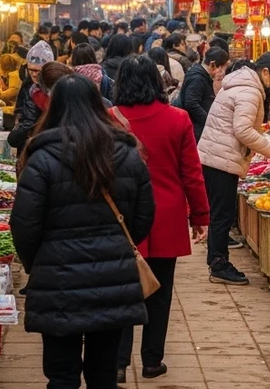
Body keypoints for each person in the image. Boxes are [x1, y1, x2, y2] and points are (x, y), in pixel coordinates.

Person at [11, 73, 155, 389]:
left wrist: (38, 263)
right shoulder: (127, 154)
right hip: (112, 277)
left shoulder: (42, 157)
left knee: (61, 375)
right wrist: (116, 244)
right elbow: (144, 216)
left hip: (57, 278)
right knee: (104, 374)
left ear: (54, 107)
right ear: (97, 104)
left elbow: (24, 224)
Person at [109, 56, 209, 382]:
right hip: (165, 215)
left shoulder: (109, 119)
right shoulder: (178, 119)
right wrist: (200, 215)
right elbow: (191, 173)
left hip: (120, 217)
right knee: (161, 292)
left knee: (121, 289)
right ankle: (152, 361)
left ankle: (118, 363)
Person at [198, 52, 270, 285]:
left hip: (218, 155)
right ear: (265, 72)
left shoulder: (241, 83)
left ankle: (217, 261)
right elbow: (242, 130)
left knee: (220, 213)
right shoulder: (249, 90)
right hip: (221, 158)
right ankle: (219, 264)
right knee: (222, 214)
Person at [7, 41, 52, 150]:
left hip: (42, 142)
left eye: (38, 71)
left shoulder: (51, 87)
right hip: (28, 142)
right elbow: (20, 108)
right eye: (31, 70)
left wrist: (14, 137)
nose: (34, 74)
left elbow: (30, 121)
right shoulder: (27, 83)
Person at [180, 47, 230, 143]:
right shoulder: (197, 78)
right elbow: (191, 103)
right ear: (212, 64)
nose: (223, 72)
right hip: (194, 129)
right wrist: (208, 122)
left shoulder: (201, 75)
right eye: (222, 68)